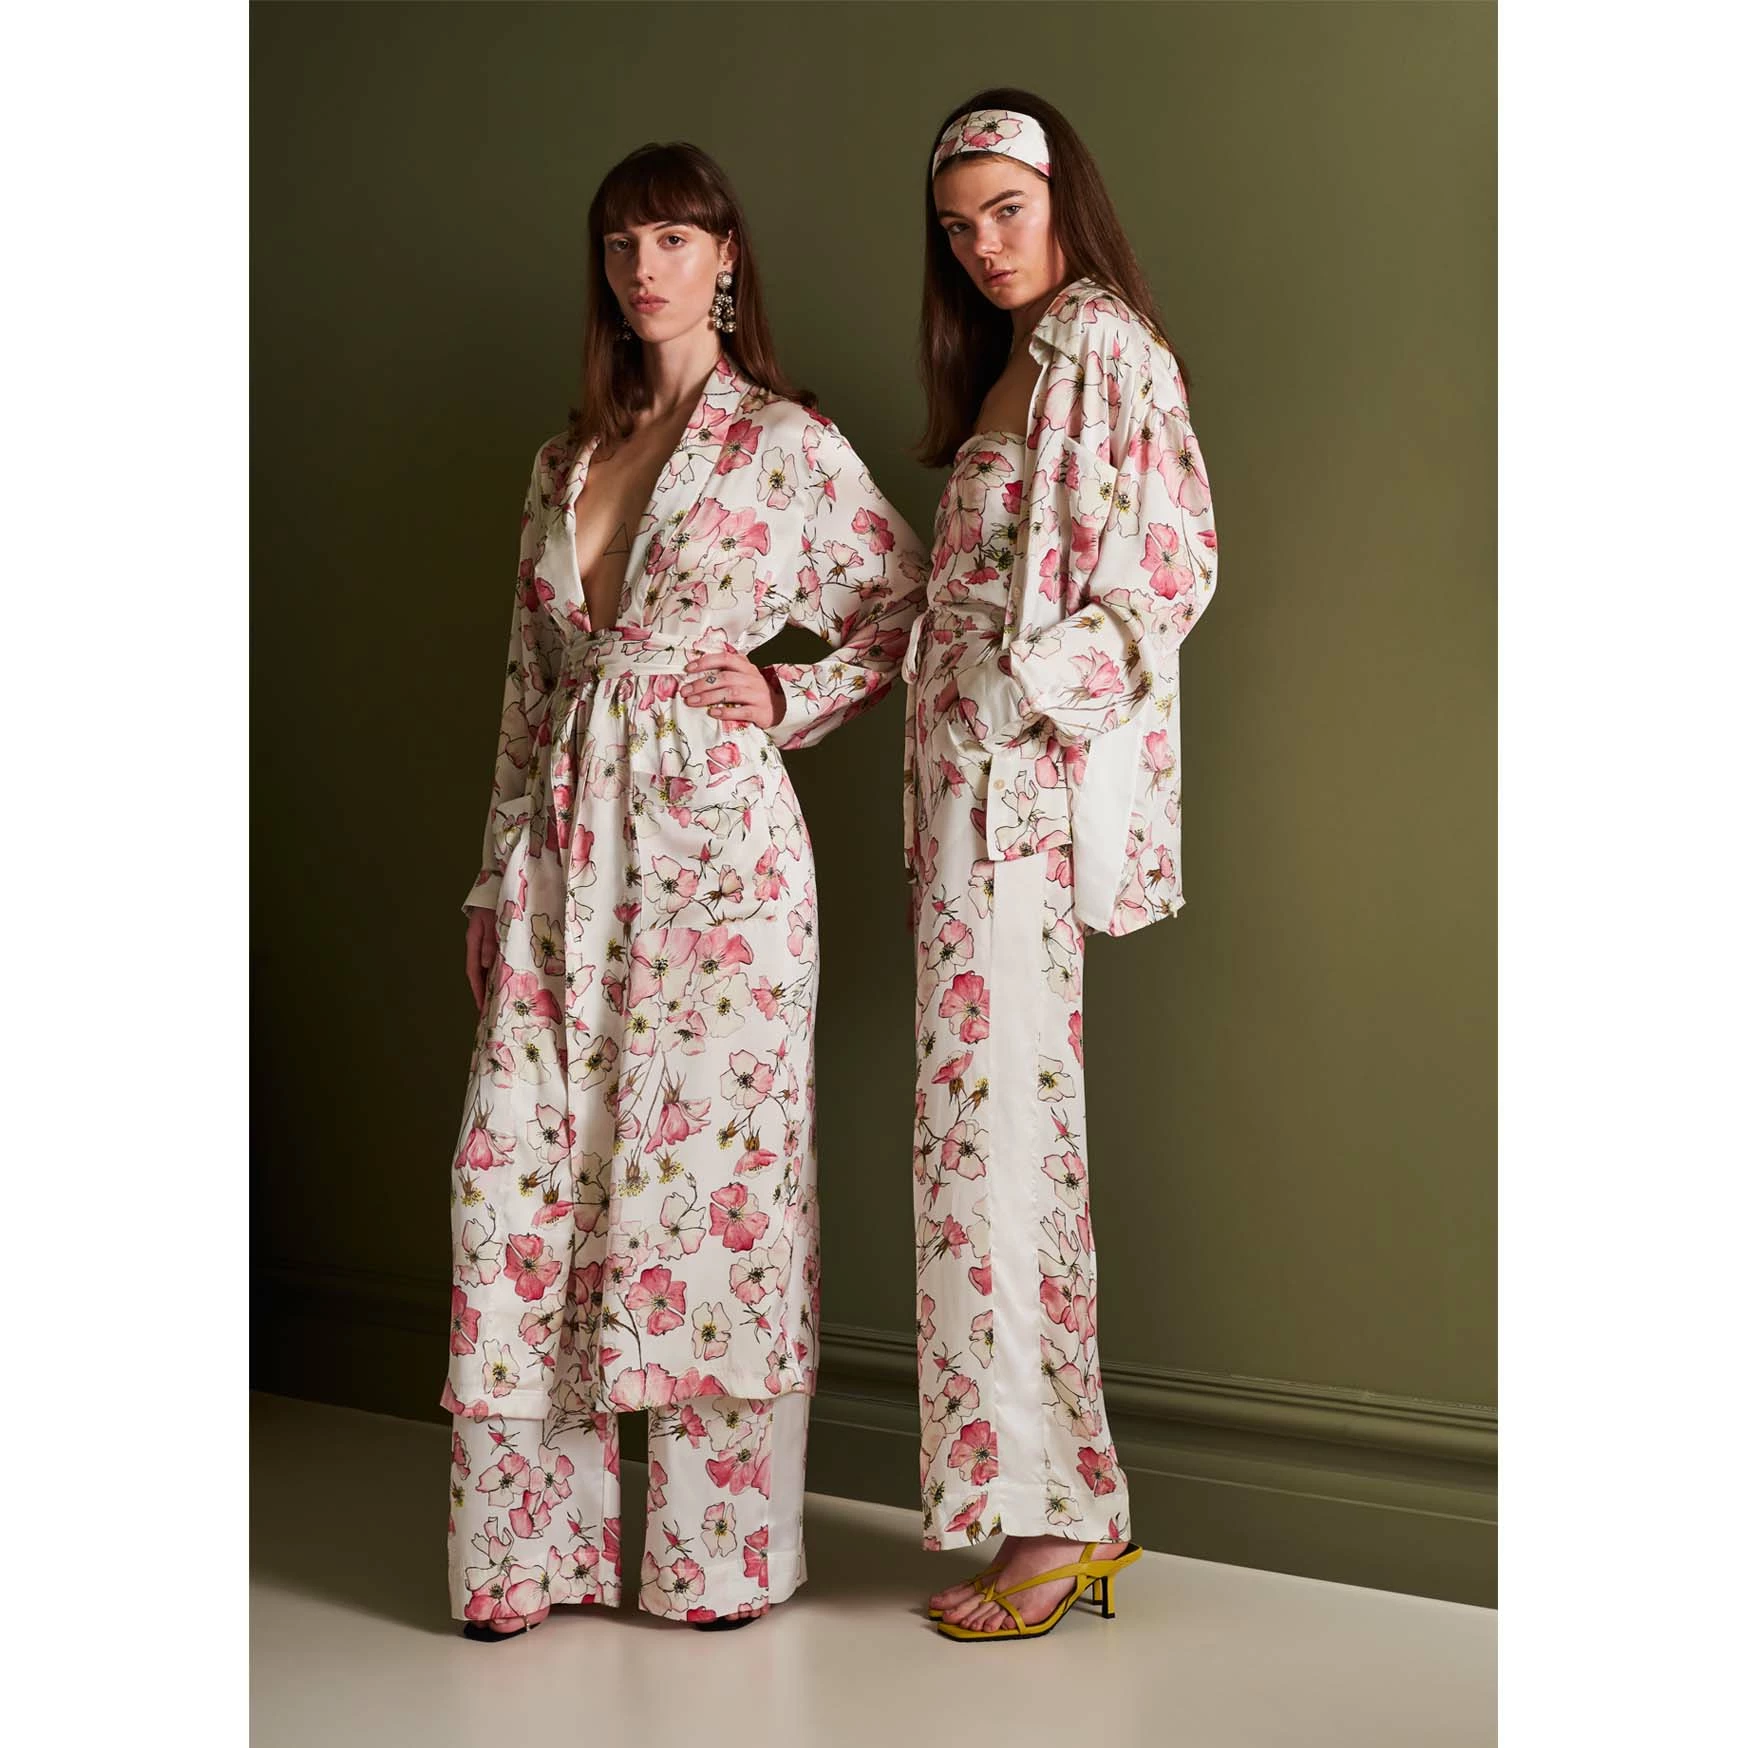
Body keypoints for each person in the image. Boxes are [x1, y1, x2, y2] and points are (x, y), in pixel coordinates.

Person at [443, 141, 925, 1638]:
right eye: (620, 243)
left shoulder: (786, 444)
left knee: (713, 1189)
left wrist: (788, 696)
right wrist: (490, 879)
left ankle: (717, 1558)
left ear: (726, 258)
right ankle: (527, 1553)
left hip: (721, 861)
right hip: (558, 855)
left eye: (671, 237)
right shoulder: (563, 461)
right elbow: (530, 686)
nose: (643, 267)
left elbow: (911, 608)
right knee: (520, 1178)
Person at [902, 90, 1219, 1641]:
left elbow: (1174, 566)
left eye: (1006, 213)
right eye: (959, 227)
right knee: (975, 1152)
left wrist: (1018, 701)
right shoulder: (1012, 365)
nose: (984, 247)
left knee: (1009, 1152)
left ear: (1061, 201)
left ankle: (1062, 1517)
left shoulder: (1105, 350)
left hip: (1015, 799)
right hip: (958, 809)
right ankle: (1040, 1506)